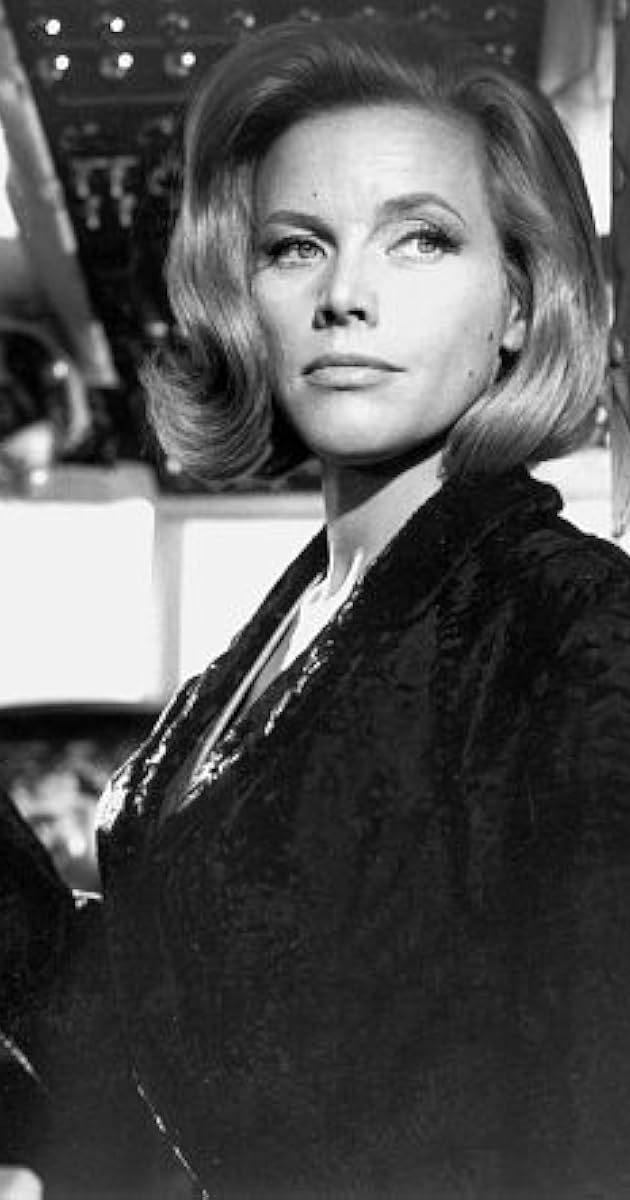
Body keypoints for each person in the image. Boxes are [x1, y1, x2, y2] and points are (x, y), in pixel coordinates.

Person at [3, 17, 630, 1199]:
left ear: (516, 301)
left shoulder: (576, 630)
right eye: (296, 247)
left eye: (420, 239)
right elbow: (124, 1049)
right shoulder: (260, 657)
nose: (346, 295)